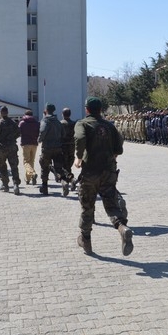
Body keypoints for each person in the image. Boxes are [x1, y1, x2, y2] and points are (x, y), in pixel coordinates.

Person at [74, 97, 133, 256]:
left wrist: (78, 157)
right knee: (111, 204)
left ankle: (86, 240)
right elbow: (119, 147)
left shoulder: (83, 123)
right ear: (100, 109)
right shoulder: (109, 125)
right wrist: (112, 154)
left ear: (86, 109)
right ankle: (122, 228)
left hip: (90, 172)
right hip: (108, 171)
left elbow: (79, 138)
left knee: (87, 206)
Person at [38, 103, 72, 196]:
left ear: (46, 110)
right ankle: (64, 182)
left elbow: (43, 131)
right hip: (58, 148)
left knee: (44, 167)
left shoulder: (45, 120)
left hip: (47, 148)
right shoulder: (58, 121)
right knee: (58, 168)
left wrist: (39, 139)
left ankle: (44, 188)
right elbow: (63, 134)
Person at [0, 105, 21, 194]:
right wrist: (12, 139)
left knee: (2, 166)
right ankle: (16, 184)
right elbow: (18, 133)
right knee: (14, 166)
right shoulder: (13, 122)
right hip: (12, 147)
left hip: (2, 148)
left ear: (1, 113)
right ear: (7, 112)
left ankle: (5, 185)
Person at [18, 109, 40, 185]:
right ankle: (28, 179)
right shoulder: (37, 123)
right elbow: (39, 133)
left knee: (26, 161)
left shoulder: (22, 123)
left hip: (25, 144)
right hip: (34, 144)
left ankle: (32, 173)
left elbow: (18, 133)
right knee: (31, 161)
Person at [60, 107, 77, 191]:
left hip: (63, 146)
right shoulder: (74, 123)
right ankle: (71, 180)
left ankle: (70, 180)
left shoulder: (61, 124)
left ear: (62, 114)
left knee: (63, 165)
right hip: (71, 146)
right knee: (69, 164)